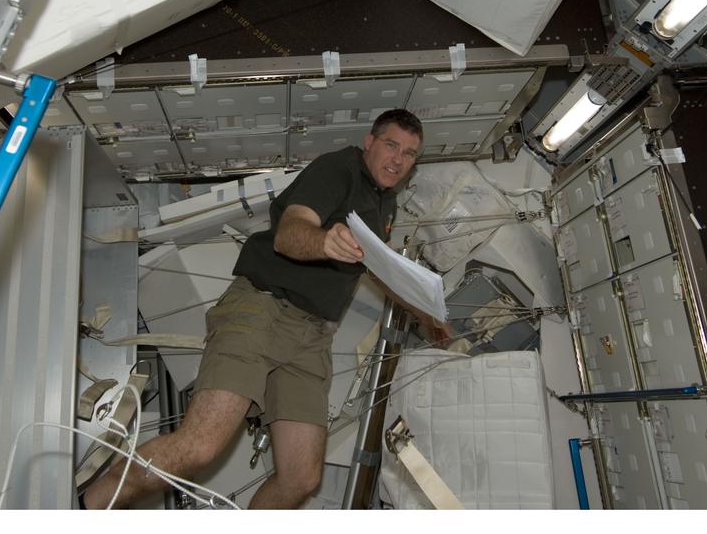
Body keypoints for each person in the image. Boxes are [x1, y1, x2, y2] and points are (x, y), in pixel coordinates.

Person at [83, 108, 450, 509]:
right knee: (200, 446)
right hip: (264, 310)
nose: (398, 159)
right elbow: (289, 233)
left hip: (312, 338)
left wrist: (425, 314)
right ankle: (86, 506)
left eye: (409, 154)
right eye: (391, 145)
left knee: (301, 479)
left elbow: (381, 269)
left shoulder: (385, 204)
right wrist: (323, 241)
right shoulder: (339, 170)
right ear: (369, 142)